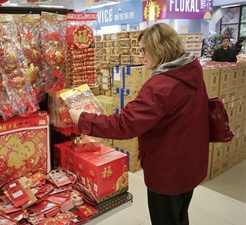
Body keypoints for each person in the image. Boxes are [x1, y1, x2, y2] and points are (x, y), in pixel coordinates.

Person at [69, 23, 209, 225]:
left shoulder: (161, 85)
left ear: (158, 48)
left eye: (144, 50)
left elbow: (125, 124)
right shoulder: (191, 72)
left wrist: (83, 119)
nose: (140, 56)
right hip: (190, 164)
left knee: (165, 219)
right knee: (180, 215)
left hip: (167, 170)